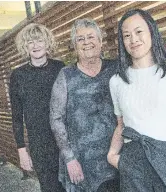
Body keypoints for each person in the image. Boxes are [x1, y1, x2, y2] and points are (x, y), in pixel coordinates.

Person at [107, 9, 166, 191]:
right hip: (134, 162)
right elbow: (121, 125)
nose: (133, 39)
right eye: (126, 35)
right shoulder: (117, 81)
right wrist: (112, 155)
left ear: (151, 31)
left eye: (138, 31)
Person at [50, 19, 120, 192]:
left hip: (116, 157)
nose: (86, 42)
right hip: (82, 163)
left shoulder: (115, 69)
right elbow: (56, 119)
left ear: (100, 41)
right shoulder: (66, 75)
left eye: (91, 37)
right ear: (74, 45)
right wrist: (69, 159)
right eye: (80, 39)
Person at [9, 23, 65, 192]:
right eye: (30, 42)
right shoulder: (18, 76)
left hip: (64, 141)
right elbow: (17, 116)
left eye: (39, 40)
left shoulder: (60, 68)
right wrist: (21, 150)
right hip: (39, 145)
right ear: (25, 47)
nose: (35, 46)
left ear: (47, 43)